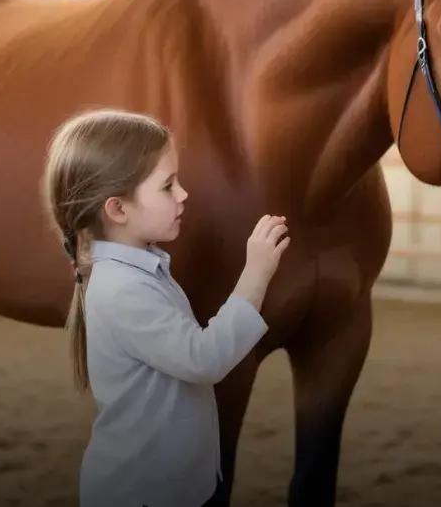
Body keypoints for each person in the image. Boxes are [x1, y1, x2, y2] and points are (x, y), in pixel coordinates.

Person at [42, 109, 289, 506]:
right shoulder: (124, 289)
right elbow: (203, 358)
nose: (183, 195)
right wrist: (256, 272)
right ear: (118, 210)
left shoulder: (141, 269)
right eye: (168, 186)